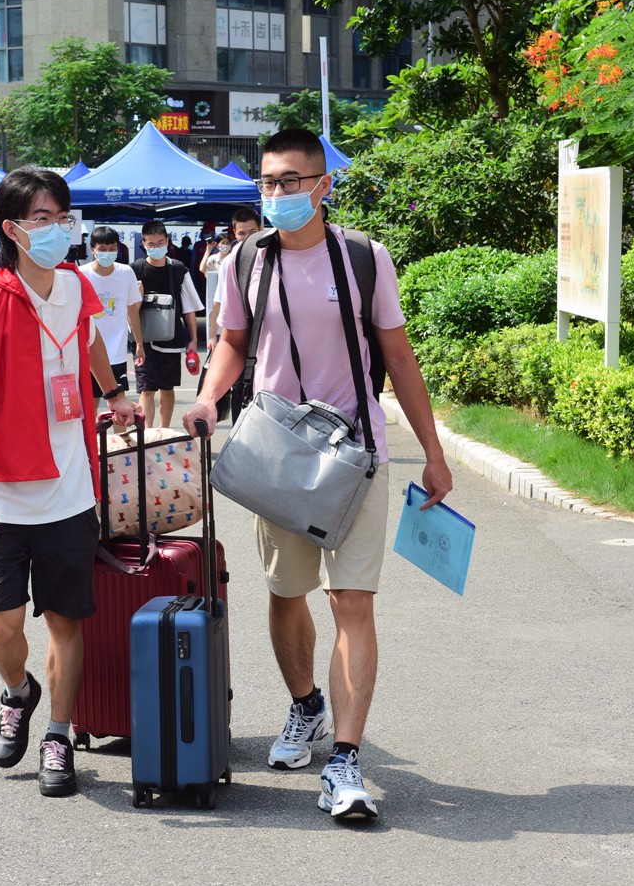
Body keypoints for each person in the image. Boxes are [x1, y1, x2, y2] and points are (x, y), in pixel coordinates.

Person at [182, 128, 453, 821]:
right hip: (276, 455)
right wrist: (208, 398)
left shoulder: (364, 258)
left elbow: (399, 356)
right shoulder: (246, 260)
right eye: (268, 182)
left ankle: (345, 760)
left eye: (291, 182)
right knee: (286, 593)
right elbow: (232, 343)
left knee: (351, 602)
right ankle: (306, 705)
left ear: (323, 185)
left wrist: (433, 451)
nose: (277, 194)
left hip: (355, 457)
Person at [0, 167, 138, 799]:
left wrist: (114, 393)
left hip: (71, 489)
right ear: (12, 229)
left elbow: (88, 341)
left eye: (63, 218)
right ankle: (17, 692)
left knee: (65, 619)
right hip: (3, 490)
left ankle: (59, 733)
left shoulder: (77, 284)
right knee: (3, 623)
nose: (58, 229)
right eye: (42, 219)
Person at [131, 220, 200, 429]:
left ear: (168, 241)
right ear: (143, 244)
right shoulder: (134, 269)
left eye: (160, 243)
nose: (156, 247)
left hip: (172, 339)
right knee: (147, 389)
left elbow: (189, 307)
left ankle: (164, 431)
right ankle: (147, 435)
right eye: (151, 244)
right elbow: (128, 308)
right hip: (143, 341)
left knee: (167, 387)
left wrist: (193, 339)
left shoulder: (178, 269)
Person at [82, 226, 145, 398]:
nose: (107, 253)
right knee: (91, 400)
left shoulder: (126, 272)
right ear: (92, 249)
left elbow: (132, 309)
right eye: (102, 249)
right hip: (89, 350)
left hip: (117, 351)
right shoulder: (81, 274)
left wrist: (139, 343)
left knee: (119, 400)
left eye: (112, 248)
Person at [206, 208, 261, 346]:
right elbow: (219, 300)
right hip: (241, 331)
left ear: (260, 229)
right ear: (235, 234)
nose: (248, 237)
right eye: (242, 233)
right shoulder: (230, 262)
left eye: (252, 232)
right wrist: (212, 336)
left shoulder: (273, 257)